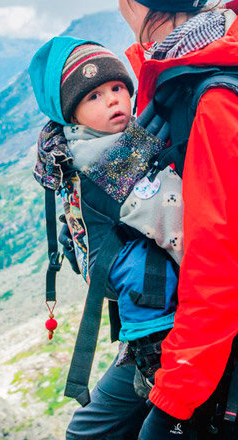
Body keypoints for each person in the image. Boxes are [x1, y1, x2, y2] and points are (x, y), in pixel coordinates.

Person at [66, 0, 238, 440]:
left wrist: (173, 404)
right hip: (177, 344)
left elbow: (218, 269)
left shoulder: (214, 105)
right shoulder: (178, 70)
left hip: (200, 355)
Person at [28, 39, 182, 352]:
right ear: (73, 116)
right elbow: (168, 218)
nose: (112, 101)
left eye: (116, 88)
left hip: (99, 254)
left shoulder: (79, 141)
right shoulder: (106, 161)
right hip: (122, 268)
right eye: (94, 96)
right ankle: (149, 351)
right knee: (152, 275)